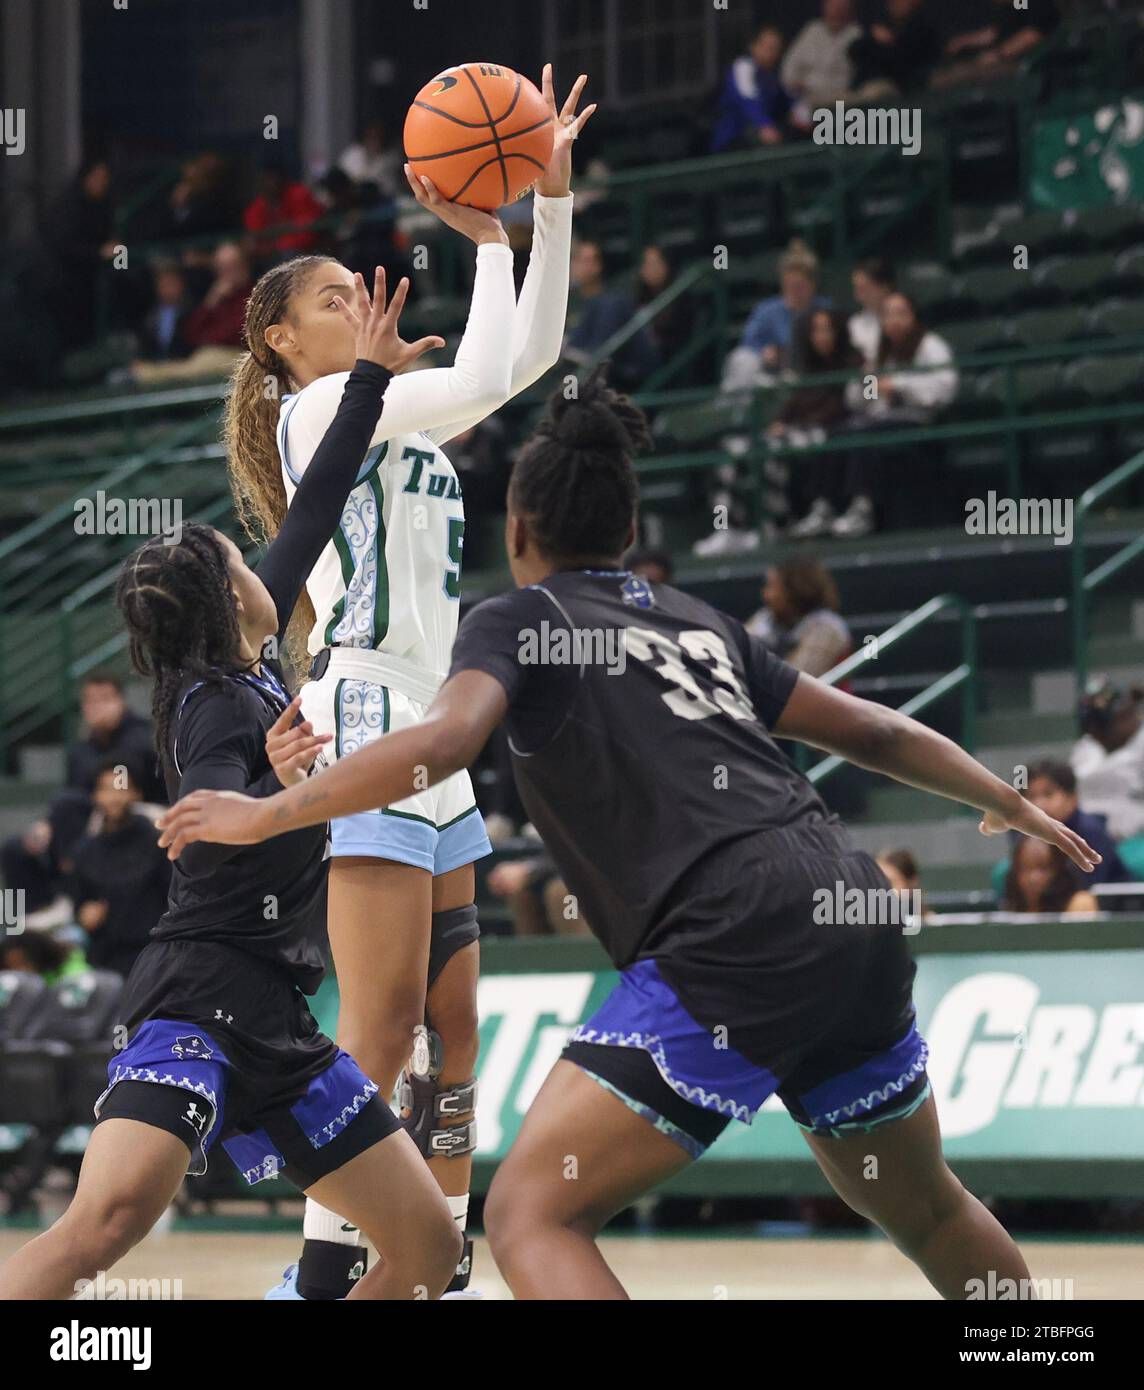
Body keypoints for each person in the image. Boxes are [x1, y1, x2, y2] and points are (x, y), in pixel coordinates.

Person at [157, 368, 1100, 1302]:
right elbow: (877, 729)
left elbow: (439, 744)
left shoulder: (517, 619)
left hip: (732, 929)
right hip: (851, 912)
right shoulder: (701, 623)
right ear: (633, 534)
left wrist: (270, 809)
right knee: (927, 1209)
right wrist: (1008, 800)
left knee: (531, 1213)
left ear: (517, 534)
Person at [0, 273, 465, 1303]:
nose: (263, 558)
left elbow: (326, 491)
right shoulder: (212, 700)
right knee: (105, 1225)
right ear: (227, 597)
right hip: (199, 1002)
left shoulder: (253, 663)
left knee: (430, 1250)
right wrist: (276, 780)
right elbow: (208, 829)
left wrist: (371, 382)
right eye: (235, 555)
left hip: (285, 1020)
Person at [222, 65, 591, 1300]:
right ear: (282, 339)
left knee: (459, 1035)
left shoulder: (393, 419)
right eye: (331, 296)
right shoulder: (318, 407)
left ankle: (437, 1259)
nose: (357, 300)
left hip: (435, 726)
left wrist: (542, 201)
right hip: (367, 708)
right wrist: (488, 238)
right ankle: (329, 1271)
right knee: (378, 1027)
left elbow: (524, 355)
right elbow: (489, 373)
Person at [836, 290, 958, 537]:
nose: (894, 321)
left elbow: (945, 388)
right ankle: (832, 507)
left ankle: (863, 505)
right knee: (843, 432)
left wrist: (900, 385)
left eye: (900, 314)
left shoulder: (930, 345)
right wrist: (867, 381)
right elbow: (864, 401)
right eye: (888, 315)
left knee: (867, 433)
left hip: (920, 423)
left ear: (913, 316)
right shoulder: (880, 354)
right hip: (883, 421)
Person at [72, 761, 172, 979]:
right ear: (95, 795)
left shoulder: (158, 842)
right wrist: (84, 916)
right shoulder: (85, 850)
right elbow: (79, 904)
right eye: (105, 789)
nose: (114, 797)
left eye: (122, 788)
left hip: (153, 956)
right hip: (104, 960)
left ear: (137, 793)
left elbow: (173, 897)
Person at [771, 307, 863, 538]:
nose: (822, 337)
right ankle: (741, 525)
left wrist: (799, 424)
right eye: (816, 331)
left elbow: (856, 402)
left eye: (827, 330)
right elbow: (794, 402)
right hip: (800, 429)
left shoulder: (855, 362)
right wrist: (780, 422)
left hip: (830, 429)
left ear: (838, 332)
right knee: (737, 450)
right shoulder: (809, 367)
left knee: (796, 446)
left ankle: (812, 513)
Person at [131, 243, 253, 385]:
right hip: (206, 354)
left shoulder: (253, 295)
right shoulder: (217, 297)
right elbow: (192, 334)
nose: (226, 274)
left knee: (197, 365)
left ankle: (148, 374)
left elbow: (236, 333)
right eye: (222, 269)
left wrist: (208, 338)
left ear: (244, 267)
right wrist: (210, 303)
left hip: (237, 356)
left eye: (232, 267)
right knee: (199, 360)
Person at [721, 239, 829, 392]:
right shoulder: (767, 310)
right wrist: (764, 352)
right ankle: (734, 412)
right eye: (790, 286)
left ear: (813, 284)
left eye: (799, 287)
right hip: (771, 373)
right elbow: (749, 343)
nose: (795, 292)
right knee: (741, 359)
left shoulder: (825, 310)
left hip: (809, 370)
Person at [565, 237, 658, 391]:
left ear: (598, 265)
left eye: (584, 260)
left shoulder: (613, 303)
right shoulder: (575, 304)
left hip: (623, 384)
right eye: (575, 260)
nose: (577, 266)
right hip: (588, 381)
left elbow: (597, 354)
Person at [1021, 758, 1126, 888]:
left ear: (1072, 797)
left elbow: (1089, 892)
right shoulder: (1023, 832)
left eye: (1048, 794)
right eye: (1031, 797)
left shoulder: (1091, 831)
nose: (1039, 804)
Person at [746, 556, 852, 678]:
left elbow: (796, 681)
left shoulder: (828, 627)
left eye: (773, 587)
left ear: (795, 590)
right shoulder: (765, 620)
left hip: (816, 696)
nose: (766, 595)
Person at [1070, 678, 1144, 841]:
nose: (1134, 718)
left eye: (1129, 712)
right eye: (1121, 716)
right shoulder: (1086, 748)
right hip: (1100, 840)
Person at [937, 0, 1061, 88]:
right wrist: (963, 41)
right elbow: (994, 33)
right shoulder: (1018, 4)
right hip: (1005, 59)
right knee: (946, 72)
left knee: (956, 75)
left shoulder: (1034, 3)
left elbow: (1034, 33)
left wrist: (998, 54)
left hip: (1026, 64)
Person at [783, 0, 863, 128]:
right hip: (800, 97)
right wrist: (793, 83)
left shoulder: (857, 36)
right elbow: (789, 66)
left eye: (841, 6)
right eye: (831, 6)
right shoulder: (812, 29)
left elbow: (851, 80)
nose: (836, 10)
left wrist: (811, 86)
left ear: (849, 9)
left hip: (836, 102)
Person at [711, 25, 792, 153]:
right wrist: (764, 124)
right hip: (732, 142)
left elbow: (787, 101)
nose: (772, 52)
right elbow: (748, 100)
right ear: (753, 46)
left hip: (759, 140)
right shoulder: (742, 67)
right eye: (767, 47)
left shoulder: (772, 76)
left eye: (776, 48)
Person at [849, 0, 941, 98]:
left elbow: (903, 63)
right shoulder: (881, 24)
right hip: (862, 84)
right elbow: (853, 51)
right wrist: (873, 36)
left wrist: (888, 44)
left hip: (897, 88)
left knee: (872, 93)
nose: (893, 4)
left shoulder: (922, 30)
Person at [243, 162, 325, 259]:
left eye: (272, 178)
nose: (269, 183)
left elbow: (308, 234)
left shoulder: (299, 195)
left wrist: (277, 244)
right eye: (265, 179)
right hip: (271, 258)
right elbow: (253, 240)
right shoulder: (258, 206)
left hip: (307, 254)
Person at [1001, 840, 1100, 916]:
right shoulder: (1012, 908)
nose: (1033, 878)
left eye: (1042, 868)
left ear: (1059, 869)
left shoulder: (1081, 903)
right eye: (1024, 868)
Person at [634, 245, 694, 368]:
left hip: (666, 358)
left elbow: (679, 340)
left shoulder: (681, 296)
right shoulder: (637, 296)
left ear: (666, 266)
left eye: (654, 263)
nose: (649, 269)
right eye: (646, 264)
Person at [848, 258, 896, 369]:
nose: (857, 294)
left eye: (863, 288)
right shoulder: (854, 324)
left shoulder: (908, 321)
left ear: (884, 287)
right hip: (869, 384)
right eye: (856, 288)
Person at [338, 119, 402, 199]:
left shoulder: (390, 159)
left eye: (378, 137)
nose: (374, 141)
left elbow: (391, 189)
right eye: (371, 137)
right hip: (353, 203)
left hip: (382, 203)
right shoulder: (352, 155)